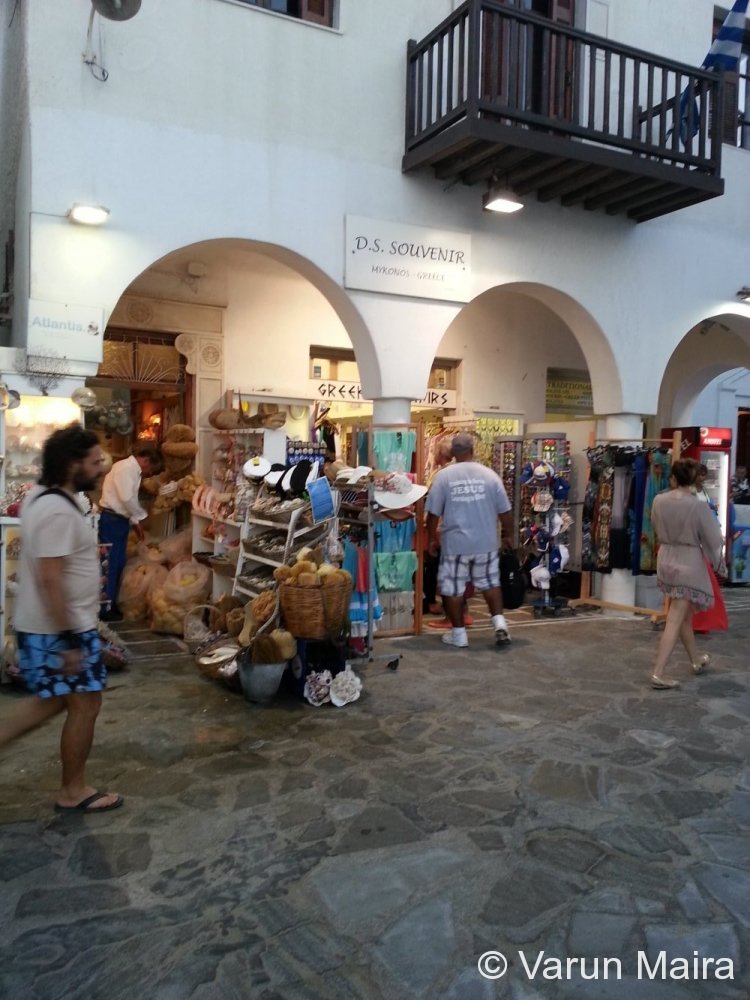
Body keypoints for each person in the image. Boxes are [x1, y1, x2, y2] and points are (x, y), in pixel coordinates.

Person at [0, 425, 123, 812]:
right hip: (57, 631)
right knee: (85, 704)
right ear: (72, 464)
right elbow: (50, 579)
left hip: (52, 627)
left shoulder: (46, 497)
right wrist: (70, 640)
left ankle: (73, 787)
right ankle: (73, 790)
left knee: (52, 703)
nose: (101, 468)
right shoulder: (56, 510)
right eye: (94, 462)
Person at [426, 432, 514, 648]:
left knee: (453, 588)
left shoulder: (444, 477)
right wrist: (508, 535)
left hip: (456, 544)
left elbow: (433, 514)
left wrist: (431, 540)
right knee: (490, 583)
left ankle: (459, 635)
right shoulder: (490, 476)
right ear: (473, 450)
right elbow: (505, 512)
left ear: (453, 453)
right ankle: (500, 625)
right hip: (486, 542)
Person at [649, 457, 725, 690]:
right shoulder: (697, 505)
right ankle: (658, 673)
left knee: (683, 616)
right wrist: (718, 562)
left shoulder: (659, 500)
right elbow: (714, 539)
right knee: (675, 618)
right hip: (687, 562)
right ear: (693, 479)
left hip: (666, 558)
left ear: (673, 477)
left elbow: (654, 525)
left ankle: (695, 659)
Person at [98, 443, 162, 619]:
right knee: (110, 563)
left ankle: (111, 603)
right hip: (112, 520)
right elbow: (126, 498)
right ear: (146, 460)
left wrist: (135, 522)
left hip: (119, 519)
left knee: (118, 562)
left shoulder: (131, 470)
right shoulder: (126, 468)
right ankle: (105, 608)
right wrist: (141, 516)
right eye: (151, 468)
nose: (149, 472)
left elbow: (128, 499)